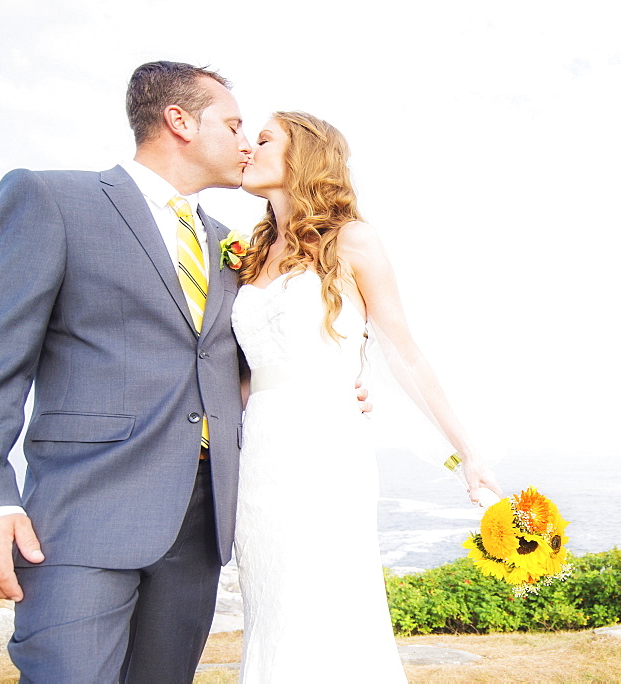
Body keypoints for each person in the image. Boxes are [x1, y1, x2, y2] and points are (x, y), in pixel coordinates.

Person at [0, 61, 254, 682]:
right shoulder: (53, 199)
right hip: (81, 515)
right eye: (235, 123)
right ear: (180, 120)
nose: (248, 141)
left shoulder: (232, 244)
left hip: (200, 527)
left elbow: (232, 363)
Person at [232, 111, 502, 681]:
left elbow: (403, 351)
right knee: (272, 603)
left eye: (263, 139)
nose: (246, 148)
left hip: (326, 444)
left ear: (304, 155)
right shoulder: (250, 254)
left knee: (326, 601)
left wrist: (469, 454)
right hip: (256, 450)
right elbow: (241, 371)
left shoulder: (353, 239)